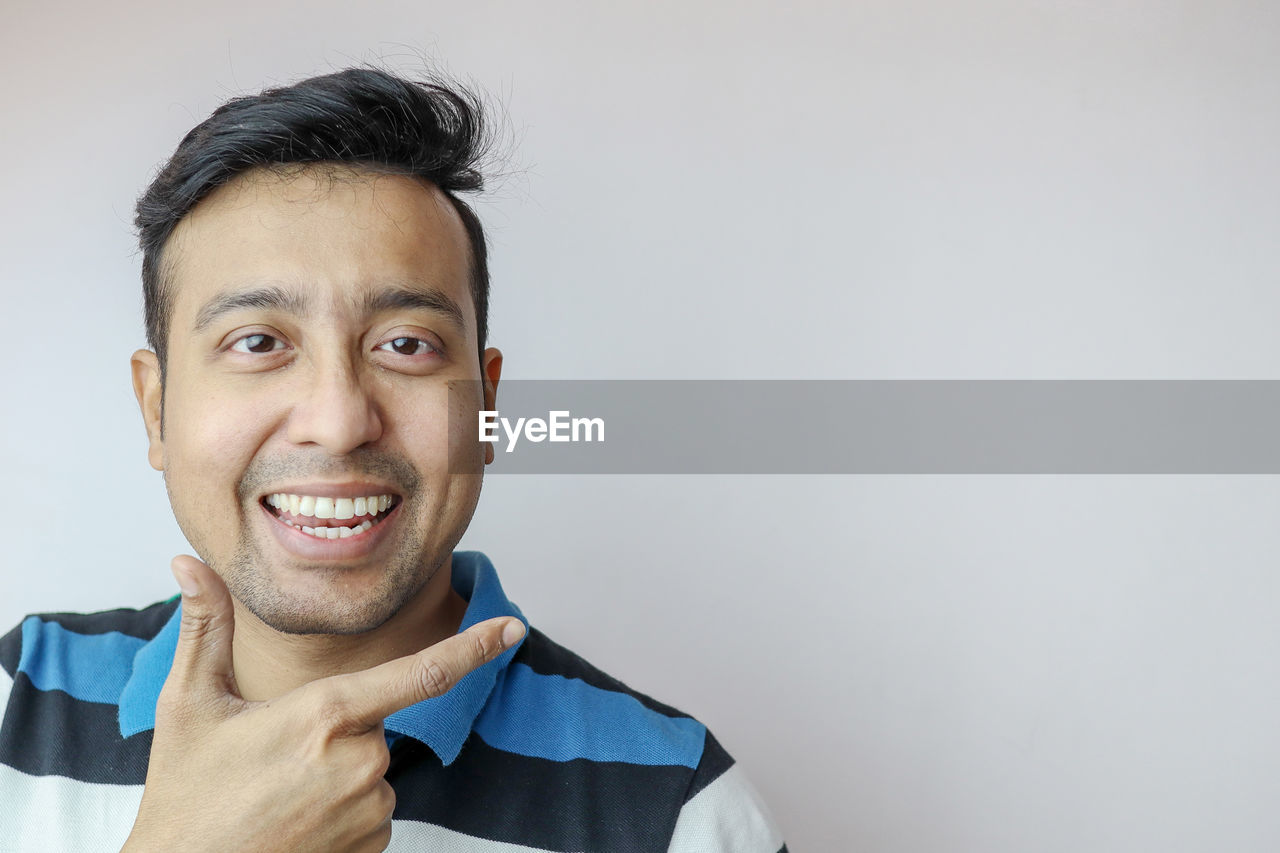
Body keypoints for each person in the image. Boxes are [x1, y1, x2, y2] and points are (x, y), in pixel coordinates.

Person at [0, 67, 786, 852]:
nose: (339, 422)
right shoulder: (13, 696)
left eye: (405, 344)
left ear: (485, 405)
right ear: (157, 407)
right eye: (259, 342)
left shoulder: (684, 811)